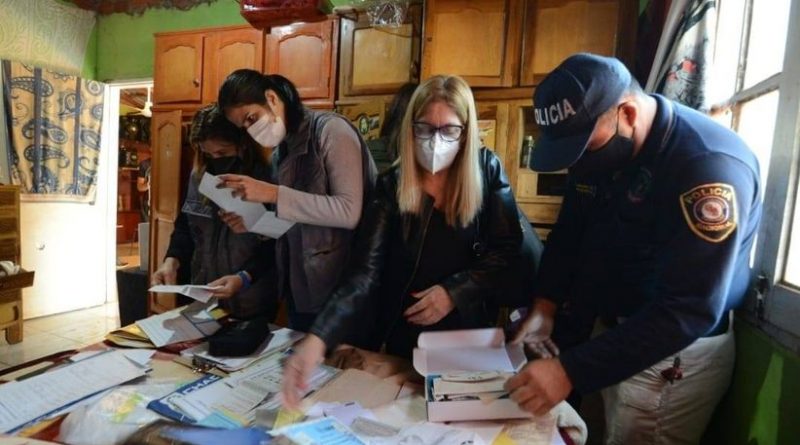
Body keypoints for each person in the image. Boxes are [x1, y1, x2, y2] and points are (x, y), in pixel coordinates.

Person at [506, 53, 762, 444]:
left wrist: (569, 371)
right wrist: (545, 306)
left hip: (668, 352)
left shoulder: (706, 167)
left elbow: (689, 308)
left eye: (583, 148)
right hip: (608, 337)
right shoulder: (599, 151)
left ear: (626, 113)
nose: (576, 164)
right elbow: (570, 232)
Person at [281, 74, 530, 407]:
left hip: (466, 336)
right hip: (404, 336)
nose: (435, 141)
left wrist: (454, 292)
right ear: (410, 129)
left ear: (466, 132)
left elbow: (506, 251)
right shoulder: (391, 185)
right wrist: (319, 337)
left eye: (449, 130)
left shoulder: (487, 170)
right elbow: (364, 274)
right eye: (424, 128)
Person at [216, 71, 377, 332]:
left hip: (343, 291)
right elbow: (294, 223)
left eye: (251, 118)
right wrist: (254, 223)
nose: (251, 131)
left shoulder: (331, 130)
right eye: (244, 126)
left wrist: (273, 193)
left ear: (272, 98)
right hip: (300, 290)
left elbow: (348, 211)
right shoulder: (281, 152)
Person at [150, 104, 277, 320]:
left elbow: (277, 245)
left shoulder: (266, 181)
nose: (215, 160)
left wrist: (244, 277)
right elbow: (186, 226)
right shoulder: (198, 177)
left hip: (252, 298)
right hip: (203, 294)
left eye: (222, 152)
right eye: (207, 153)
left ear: (243, 144)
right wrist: (171, 260)